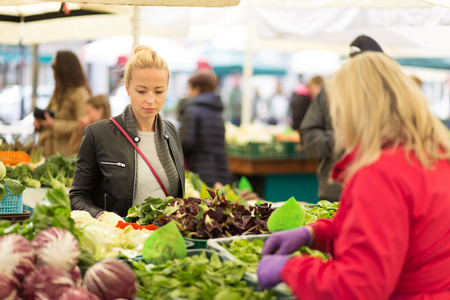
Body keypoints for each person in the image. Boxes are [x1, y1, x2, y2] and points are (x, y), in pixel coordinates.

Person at [257, 52, 450, 299]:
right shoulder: (435, 155)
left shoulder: (380, 174)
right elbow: (389, 233)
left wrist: (290, 268)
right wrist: (316, 233)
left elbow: (358, 287)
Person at [70, 46, 185, 218]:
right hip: (119, 239)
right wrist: (102, 217)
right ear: (127, 87)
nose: (150, 100)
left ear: (167, 88)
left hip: (162, 238)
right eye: (141, 91)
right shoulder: (98, 134)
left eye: (159, 91)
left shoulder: (171, 132)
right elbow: (78, 197)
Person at [300, 35, 384, 202]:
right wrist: (337, 142)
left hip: (378, 191)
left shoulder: (388, 95)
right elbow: (308, 136)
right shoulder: (331, 92)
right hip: (336, 192)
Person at [178, 69, 232, 187]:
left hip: (200, 172)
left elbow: (186, 142)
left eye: (190, 89)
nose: (189, 93)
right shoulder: (217, 111)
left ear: (197, 89)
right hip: (220, 171)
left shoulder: (192, 109)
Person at [34, 50, 91, 157]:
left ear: (64, 69)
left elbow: (83, 125)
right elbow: (50, 115)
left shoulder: (80, 93)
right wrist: (40, 122)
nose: (52, 71)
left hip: (66, 157)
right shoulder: (58, 92)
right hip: (48, 153)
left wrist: (54, 124)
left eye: (54, 67)